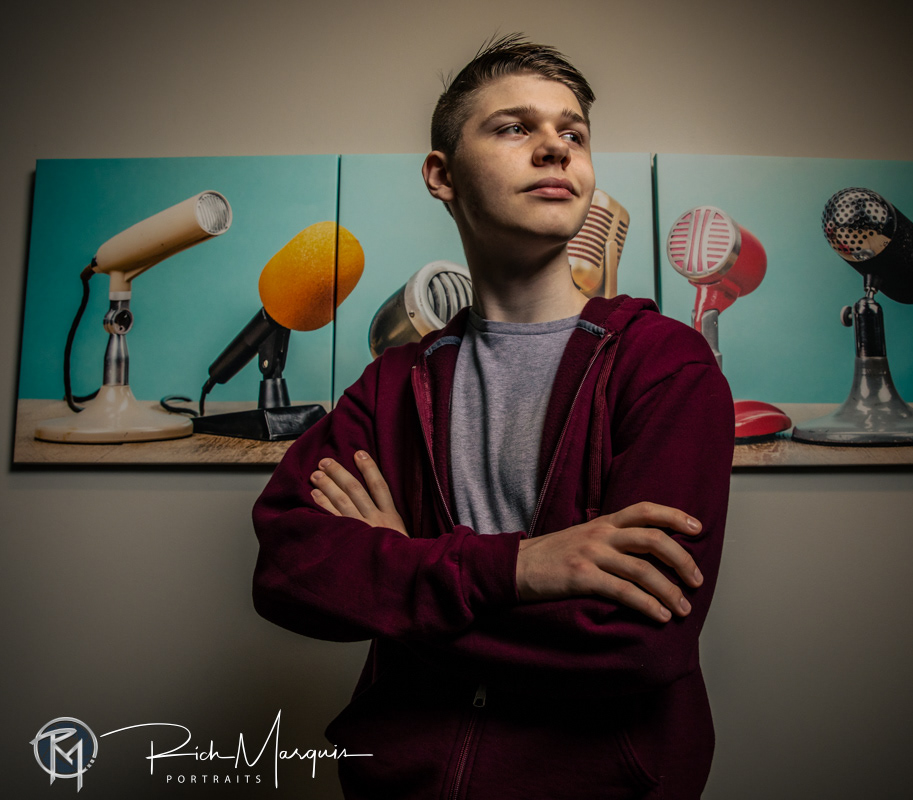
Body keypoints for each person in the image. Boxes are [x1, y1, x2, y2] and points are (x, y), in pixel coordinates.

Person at [252, 34, 734, 800]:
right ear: (441, 175)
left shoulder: (664, 365)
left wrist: (405, 571)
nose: (556, 147)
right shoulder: (392, 384)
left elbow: (639, 642)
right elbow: (287, 571)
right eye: (514, 126)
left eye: (574, 133)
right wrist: (520, 569)